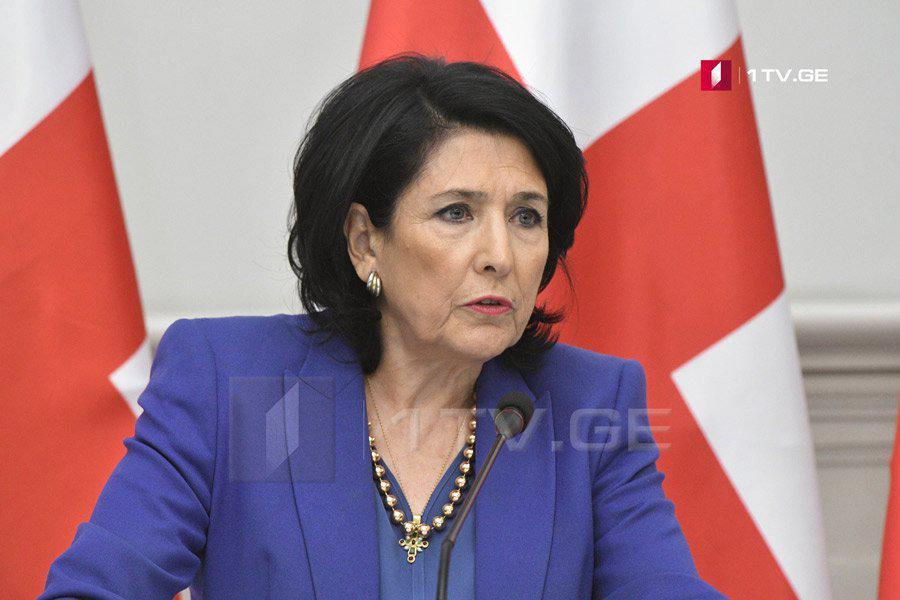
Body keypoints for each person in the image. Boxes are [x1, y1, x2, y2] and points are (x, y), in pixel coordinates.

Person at [39, 53, 725, 599]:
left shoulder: (585, 406)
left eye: (526, 217)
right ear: (365, 241)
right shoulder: (237, 385)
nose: (500, 255)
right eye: (456, 213)